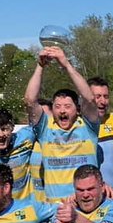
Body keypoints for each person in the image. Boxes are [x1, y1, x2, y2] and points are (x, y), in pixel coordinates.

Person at [24, 46, 101, 204]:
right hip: (56, 210)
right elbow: (30, 100)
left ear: (77, 109)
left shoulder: (88, 127)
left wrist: (66, 64)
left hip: (86, 206)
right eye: (58, 106)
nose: (62, 111)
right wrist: (40, 66)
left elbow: (89, 98)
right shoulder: (46, 129)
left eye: (67, 106)